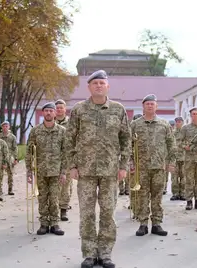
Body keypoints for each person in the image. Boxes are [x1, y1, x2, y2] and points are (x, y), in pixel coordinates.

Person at [65, 70, 131, 268]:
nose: (99, 86)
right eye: (95, 83)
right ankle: (89, 253)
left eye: (102, 83)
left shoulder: (118, 109)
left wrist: (123, 166)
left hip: (110, 171)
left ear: (108, 86)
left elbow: (126, 139)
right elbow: (69, 138)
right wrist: (72, 165)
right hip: (85, 171)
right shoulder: (79, 110)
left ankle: (105, 252)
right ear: (89, 87)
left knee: (108, 212)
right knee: (87, 213)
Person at [131, 94, 176, 237]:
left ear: (156, 107)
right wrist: (130, 162)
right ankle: (143, 224)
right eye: (147, 104)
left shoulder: (164, 124)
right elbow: (128, 144)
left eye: (152, 104)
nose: (150, 106)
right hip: (141, 167)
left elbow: (171, 144)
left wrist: (171, 162)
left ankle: (157, 223)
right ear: (143, 107)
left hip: (159, 166)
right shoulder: (135, 124)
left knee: (157, 196)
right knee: (142, 195)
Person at [25, 102, 66, 236]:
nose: (48, 113)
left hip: (56, 171)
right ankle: (43, 223)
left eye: (51, 111)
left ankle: (54, 223)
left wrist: (64, 172)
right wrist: (29, 171)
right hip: (41, 171)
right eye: (46, 111)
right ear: (43, 113)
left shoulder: (62, 131)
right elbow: (29, 151)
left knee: (54, 198)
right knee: (42, 198)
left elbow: (66, 152)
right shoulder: (35, 131)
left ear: (55, 113)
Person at [179, 107, 197, 210]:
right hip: (189, 159)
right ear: (190, 116)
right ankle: (189, 201)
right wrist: (184, 146)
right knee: (189, 180)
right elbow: (179, 141)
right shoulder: (185, 128)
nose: (195, 116)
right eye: (193, 114)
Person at [55, 99, 72, 221]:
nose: (59, 110)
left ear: (65, 109)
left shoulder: (71, 123)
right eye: (57, 108)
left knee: (66, 185)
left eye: (61, 107)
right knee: (54, 186)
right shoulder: (50, 122)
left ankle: (63, 209)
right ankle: (54, 208)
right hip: (52, 159)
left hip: (67, 158)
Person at [128, 114, 143, 219]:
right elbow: (127, 150)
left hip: (145, 165)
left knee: (144, 190)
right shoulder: (130, 134)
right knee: (134, 188)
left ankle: (142, 211)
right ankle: (135, 210)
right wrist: (131, 165)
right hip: (134, 164)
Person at [0, 121, 18, 195]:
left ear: (9, 127)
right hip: (1, 157)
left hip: (10, 157)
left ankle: (10, 190)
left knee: (10, 174)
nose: (5, 127)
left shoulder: (12, 137)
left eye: (6, 126)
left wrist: (15, 158)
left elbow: (15, 148)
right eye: (4, 126)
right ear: (1, 127)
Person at [170, 117, 186, 201]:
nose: (178, 123)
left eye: (180, 122)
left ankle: (183, 193)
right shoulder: (172, 133)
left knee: (184, 177)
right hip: (174, 158)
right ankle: (175, 193)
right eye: (177, 122)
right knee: (174, 177)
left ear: (182, 122)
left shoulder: (185, 132)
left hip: (184, 157)